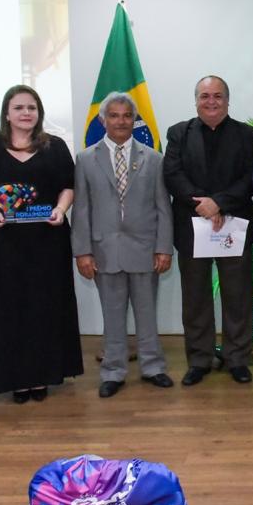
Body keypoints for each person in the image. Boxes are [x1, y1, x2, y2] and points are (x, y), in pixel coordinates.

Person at [0, 85, 82, 403]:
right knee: (6, 310)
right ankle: (15, 379)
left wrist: (61, 209)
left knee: (45, 308)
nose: (26, 113)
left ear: (39, 112)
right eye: (18, 108)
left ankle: (43, 376)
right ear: (6, 113)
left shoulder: (55, 146)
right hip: (0, 246)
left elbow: (68, 186)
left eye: (32, 107)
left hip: (47, 244)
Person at [72, 92, 174, 398]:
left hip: (145, 249)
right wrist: (83, 251)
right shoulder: (85, 159)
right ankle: (113, 371)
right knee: (112, 314)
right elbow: (81, 209)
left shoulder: (153, 158)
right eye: (114, 116)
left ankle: (153, 367)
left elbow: (163, 207)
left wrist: (164, 247)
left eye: (127, 115)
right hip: (104, 251)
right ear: (102, 120)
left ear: (135, 119)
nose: (121, 121)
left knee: (147, 313)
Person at [163, 75, 253, 387]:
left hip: (234, 225)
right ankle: (199, 359)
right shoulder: (179, 132)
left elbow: (252, 177)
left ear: (228, 101)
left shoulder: (247, 135)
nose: (211, 101)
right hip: (192, 227)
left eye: (218, 96)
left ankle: (237, 358)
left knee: (238, 296)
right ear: (196, 101)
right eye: (205, 96)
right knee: (196, 297)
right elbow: (173, 175)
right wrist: (203, 205)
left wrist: (219, 203)